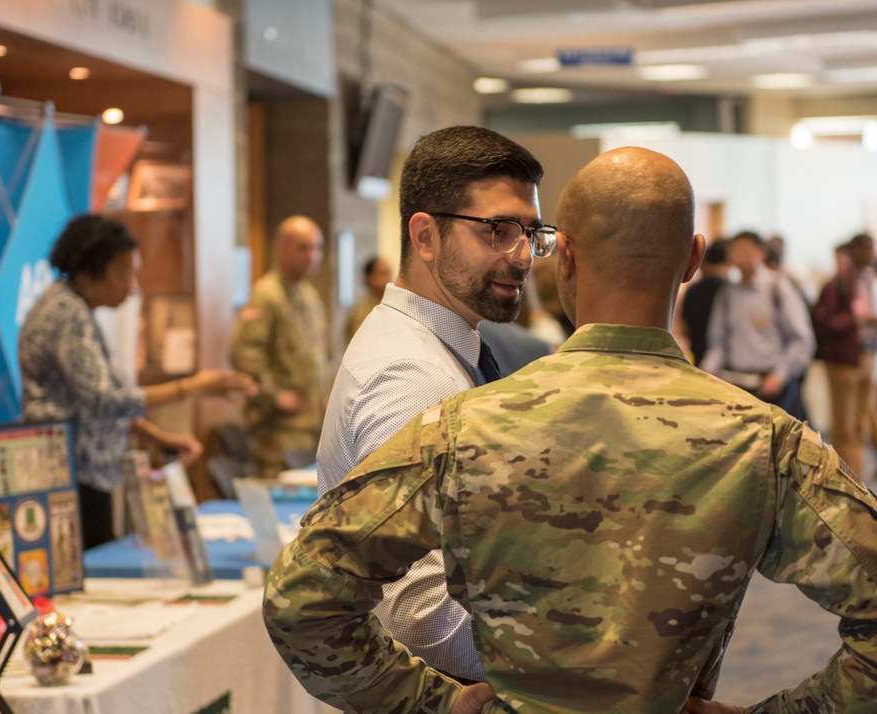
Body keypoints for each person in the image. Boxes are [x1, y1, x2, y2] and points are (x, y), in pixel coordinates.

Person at [263, 147, 877, 713]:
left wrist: (431, 705)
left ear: (568, 258)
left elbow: (302, 601)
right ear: (693, 259)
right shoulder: (766, 441)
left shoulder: (459, 431)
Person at [315, 125, 548, 683]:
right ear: (425, 236)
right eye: (499, 230)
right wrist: (556, 671)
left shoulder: (435, 347)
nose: (521, 256)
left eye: (532, 233)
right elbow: (421, 614)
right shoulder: (412, 376)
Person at [19, 214, 256, 550]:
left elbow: (96, 402)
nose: (132, 285)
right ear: (88, 273)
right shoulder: (65, 315)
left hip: (84, 472)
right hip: (66, 475)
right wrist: (191, 387)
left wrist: (159, 438)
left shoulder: (76, 310)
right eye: (122, 274)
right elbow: (103, 400)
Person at [229, 215, 331, 479]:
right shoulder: (267, 295)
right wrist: (275, 395)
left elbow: (319, 354)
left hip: (312, 423)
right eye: (303, 248)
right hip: (280, 428)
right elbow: (243, 352)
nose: (312, 256)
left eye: (317, 248)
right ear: (281, 248)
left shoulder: (309, 296)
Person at [700, 230, 815, 417]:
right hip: (736, 384)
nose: (738, 254)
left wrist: (779, 375)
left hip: (771, 386)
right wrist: (707, 370)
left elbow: (801, 340)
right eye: (734, 249)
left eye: (745, 249)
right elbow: (718, 342)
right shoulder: (728, 293)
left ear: (761, 253)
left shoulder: (778, 288)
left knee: (774, 443)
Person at [813, 234, 877, 477]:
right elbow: (824, 322)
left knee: (861, 424)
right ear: (854, 251)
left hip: (867, 355)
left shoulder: (867, 280)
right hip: (843, 359)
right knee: (844, 425)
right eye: (868, 248)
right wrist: (857, 319)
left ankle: (857, 479)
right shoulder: (838, 283)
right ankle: (844, 478)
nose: (871, 253)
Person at [678, 238, 729, 365]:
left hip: (697, 355)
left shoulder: (692, 289)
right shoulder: (729, 290)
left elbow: (684, 326)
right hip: (724, 363)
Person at [344, 255, 393, 344]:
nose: (388, 278)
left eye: (388, 273)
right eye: (382, 273)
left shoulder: (391, 305)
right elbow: (364, 341)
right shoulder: (361, 310)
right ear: (368, 278)